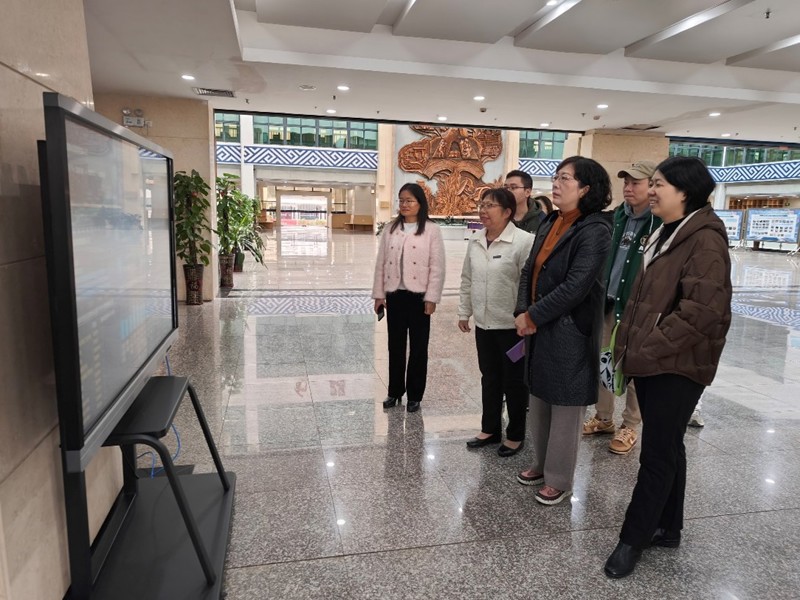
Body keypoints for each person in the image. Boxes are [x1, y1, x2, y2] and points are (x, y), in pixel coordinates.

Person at [604, 156, 732, 578]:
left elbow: (702, 312)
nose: (650, 191)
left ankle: (632, 538)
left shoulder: (705, 239)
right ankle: (669, 527)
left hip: (676, 365)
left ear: (685, 191)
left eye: (658, 184)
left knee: (656, 454)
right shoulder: (668, 230)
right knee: (669, 444)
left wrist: (648, 347)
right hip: (658, 358)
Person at [513, 156, 612, 505]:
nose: (556, 183)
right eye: (556, 177)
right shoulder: (551, 220)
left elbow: (576, 286)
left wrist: (534, 315)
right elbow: (530, 269)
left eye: (565, 178)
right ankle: (540, 463)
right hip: (540, 324)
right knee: (539, 396)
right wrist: (523, 310)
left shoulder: (596, 230)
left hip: (570, 328)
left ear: (585, 189)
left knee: (566, 405)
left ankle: (559, 477)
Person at [583, 161, 661, 455]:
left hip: (638, 310)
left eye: (635, 183)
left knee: (634, 368)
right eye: (625, 183)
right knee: (604, 360)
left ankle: (630, 425)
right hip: (608, 303)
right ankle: (604, 418)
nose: (628, 188)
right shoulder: (617, 217)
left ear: (651, 186)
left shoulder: (658, 223)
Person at [458, 188, 535, 457]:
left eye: (491, 205)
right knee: (489, 378)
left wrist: (526, 317)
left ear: (507, 212)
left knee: (515, 382)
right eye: (482, 204)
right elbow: (467, 278)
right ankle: (490, 428)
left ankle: (515, 434)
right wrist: (463, 311)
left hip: (513, 328)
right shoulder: (476, 239)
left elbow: (529, 286)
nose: (483, 209)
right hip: (484, 324)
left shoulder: (524, 241)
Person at [372, 183, 446, 413]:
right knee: (395, 347)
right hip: (395, 296)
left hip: (419, 298)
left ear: (420, 203)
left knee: (418, 347)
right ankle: (395, 391)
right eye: (401, 200)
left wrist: (431, 297)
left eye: (409, 200)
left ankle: (415, 394)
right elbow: (381, 263)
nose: (404, 205)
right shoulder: (391, 228)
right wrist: (379, 295)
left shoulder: (432, 230)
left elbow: (437, 267)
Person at [504, 170, 545, 234]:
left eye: (513, 187)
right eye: (506, 188)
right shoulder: (499, 216)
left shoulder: (542, 220)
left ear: (527, 192)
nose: (508, 191)